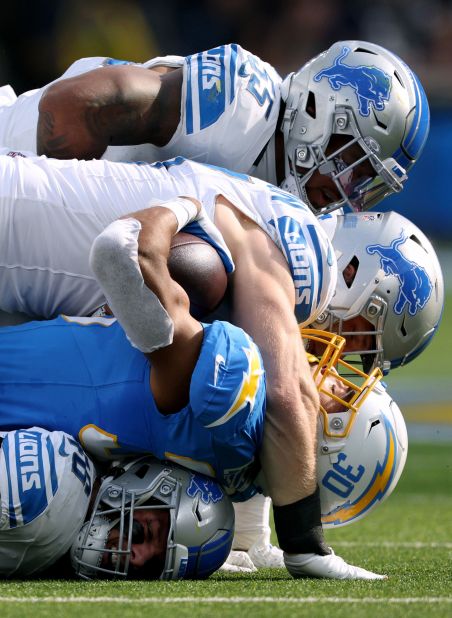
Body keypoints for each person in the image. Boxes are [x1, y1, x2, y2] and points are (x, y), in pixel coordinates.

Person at [0, 41, 429, 216]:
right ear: (319, 113)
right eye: (352, 163)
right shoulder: (241, 107)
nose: (347, 190)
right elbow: (81, 105)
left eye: (366, 183)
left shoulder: (287, 195)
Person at [0, 426, 234, 580]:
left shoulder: (82, 473)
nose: (138, 557)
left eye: (151, 567)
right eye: (144, 531)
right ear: (142, 478)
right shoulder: (38, 501)